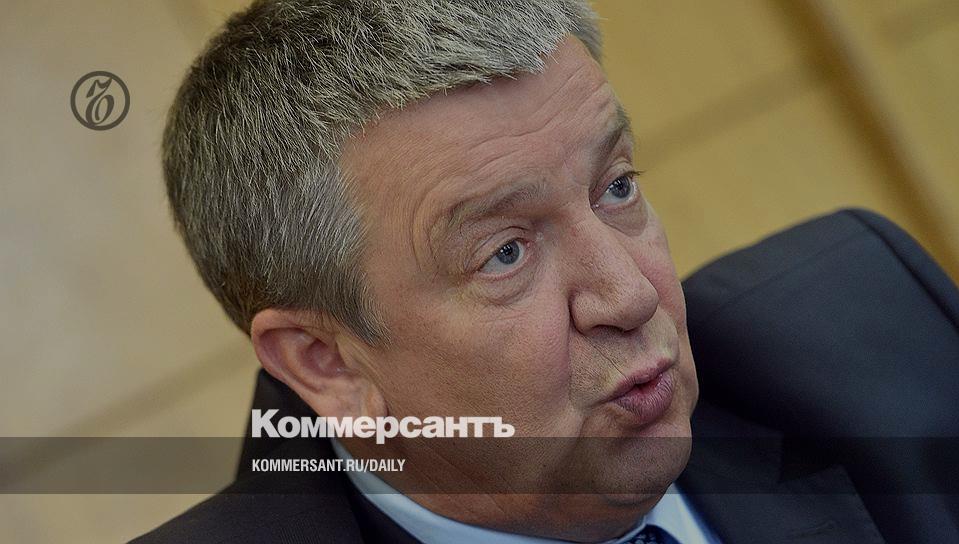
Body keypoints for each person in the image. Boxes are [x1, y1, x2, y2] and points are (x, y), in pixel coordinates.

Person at [136, 1, 902, 542]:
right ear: (328, 362)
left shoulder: (881, 325)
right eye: (505, 253)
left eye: (617, 187)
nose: (631, 295)